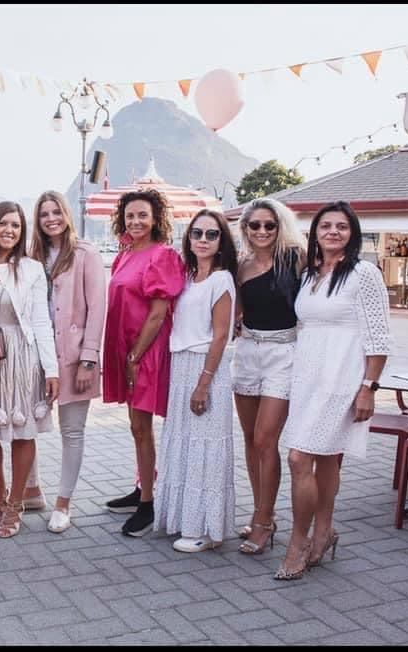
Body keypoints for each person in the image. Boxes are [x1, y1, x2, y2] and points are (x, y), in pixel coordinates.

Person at [275, 200, 390, 580]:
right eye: (326, 226)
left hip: (342, 377)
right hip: (308, 376)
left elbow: (379, 337)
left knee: (298, 459)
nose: (333, 232)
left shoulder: (363, 273)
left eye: (342, 226)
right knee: (324, 458)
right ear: (315, 233)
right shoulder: (310, 274)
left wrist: (369, 387)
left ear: (352, 233)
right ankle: (324, 532)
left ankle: (298, 542)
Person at [0, 201, 59, 538]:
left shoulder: (31, 269)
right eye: (4, 223)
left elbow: (42, 321)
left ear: (22, 231)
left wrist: (51, 369)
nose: (9, 230)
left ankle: (17, 502)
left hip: (20, 356)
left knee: (22, 430)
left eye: (16, 225)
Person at [102, 189, 185, 536]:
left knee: (141, 424)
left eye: (142, 215)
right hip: (125, 347)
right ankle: (142, 487)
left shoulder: (162, 255)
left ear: (155, 219)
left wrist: (135, 356)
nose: (135, 221)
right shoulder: (125, 255)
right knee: (136, 426)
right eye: (130, 216)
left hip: (145, 349)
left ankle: (149, 504)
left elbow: (158, 313)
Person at [154, 209, 238, 552]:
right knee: (184, 445)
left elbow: (221, 336)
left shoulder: (222, 280)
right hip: (181, 366)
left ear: (221, 242)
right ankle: (182, 518)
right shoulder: (187, 277)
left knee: (206, 448)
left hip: (206, 368)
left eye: (211, 234)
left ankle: (207, 528)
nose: (203, 240)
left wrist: (204, 383)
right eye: (197, 233)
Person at [26, 190, 106, 533]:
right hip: (35, 357)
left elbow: (97, 308)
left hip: (75, 357)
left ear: (67, 214)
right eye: (44, 214)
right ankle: (32, 490)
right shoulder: (31, 256)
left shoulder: (86, 253)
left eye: (56, 212)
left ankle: (63, 503)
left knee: (72, 431)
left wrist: (89, 359)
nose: (51, 219)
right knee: (25, 425)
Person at [232, 198, 306, 555]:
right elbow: (233, 311)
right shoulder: (239, 266)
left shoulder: (296, 258)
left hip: (284, 353)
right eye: (255, 225)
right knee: (250, 439)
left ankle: (263, 522)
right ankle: (263, 511)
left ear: (280, 227)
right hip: (248, 352)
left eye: (269, 225)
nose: (262, 231)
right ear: (245, 229)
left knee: (265, 439)